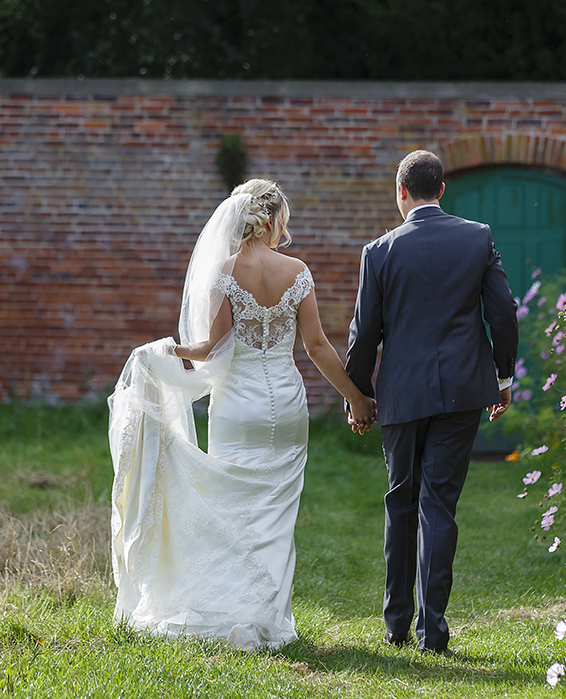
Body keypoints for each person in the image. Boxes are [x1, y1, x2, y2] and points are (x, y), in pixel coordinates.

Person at [108, 178, 375, 650]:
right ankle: (267, 619)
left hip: (234, 405)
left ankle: (234, 614)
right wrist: (356, 397)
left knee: (232, 512)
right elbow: (315, 347)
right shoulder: (298, 271)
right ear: (272, 220)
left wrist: (168, 352)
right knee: (276, 517)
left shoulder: (226, 272)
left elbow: (210, 350)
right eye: (283, 223)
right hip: (286, 405)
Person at [345, 150, 519, 654]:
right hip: (463, 390)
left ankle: (396, 624)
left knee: (401, 498)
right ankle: (433, 630)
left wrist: (359, 395)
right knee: (438, 502)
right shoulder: (478, 237)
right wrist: (503, 376)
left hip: (401, 393)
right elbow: (503, 313)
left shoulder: (378, 251)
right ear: (441, 190)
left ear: (401, 192)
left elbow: (364, 334)